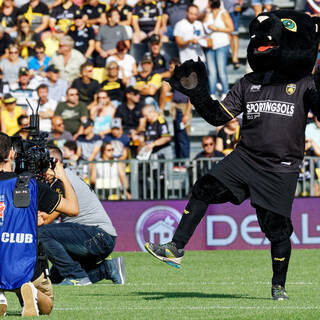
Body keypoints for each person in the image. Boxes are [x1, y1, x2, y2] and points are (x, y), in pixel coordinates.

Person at [145, 10, 320, 300]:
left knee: (277, 231)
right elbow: (217, 116)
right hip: (245, 159)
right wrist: (197, 93)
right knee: (203, 188)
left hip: (281, 167)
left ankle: (279, 285)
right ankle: (175, 248)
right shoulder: (248, 82)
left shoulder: (304, 83)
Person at [0, 132, 79, 316]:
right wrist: (62, 176)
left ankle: (1, 295)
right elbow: (73, 209)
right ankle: (32, 292)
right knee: (47, 306)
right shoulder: (31, 185)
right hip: (27, 265)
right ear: (11, 154)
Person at [38, 146, 126, 286]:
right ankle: (108, 269)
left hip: (95, 236)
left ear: (53, 163)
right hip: (98, 237)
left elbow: (46, 219)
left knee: (40, 234)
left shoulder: (61, 181)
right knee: (54, 280)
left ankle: (76, 275)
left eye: (42, 166)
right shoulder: (65, 177)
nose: (40, 171)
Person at [203, 0, 234, 98]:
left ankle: (225, 92)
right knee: (211, 72)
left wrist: (216, 28)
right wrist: (207, 13)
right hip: (210, 45)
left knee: (221, 70)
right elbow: (204, 26)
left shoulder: (223, 13)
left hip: (222, 44)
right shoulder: (209, 13)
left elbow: (231, 28)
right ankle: (212, 93)